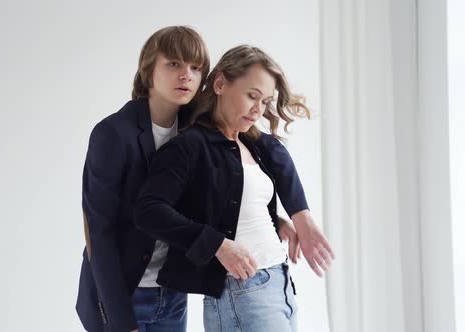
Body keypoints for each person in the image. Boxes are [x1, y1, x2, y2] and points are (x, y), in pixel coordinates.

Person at [134, 45, 335, 331]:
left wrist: (286, 219)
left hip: (280, 283)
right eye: (251, 96)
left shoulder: (251, 144)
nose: (258, 109)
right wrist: (215, 243)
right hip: (243, 292)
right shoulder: (190, 146)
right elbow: (148, 210)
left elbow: (239, 193)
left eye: (265, 101)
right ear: (219, 84)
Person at [75, 26, 210, 332]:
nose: (186, 74)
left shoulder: (195, 133)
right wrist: (121, 322)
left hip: (172, 294)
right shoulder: (113, 133)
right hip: (122, 295)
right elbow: (99, 232)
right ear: (149, 71)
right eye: (173, 64)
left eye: (195, 67)